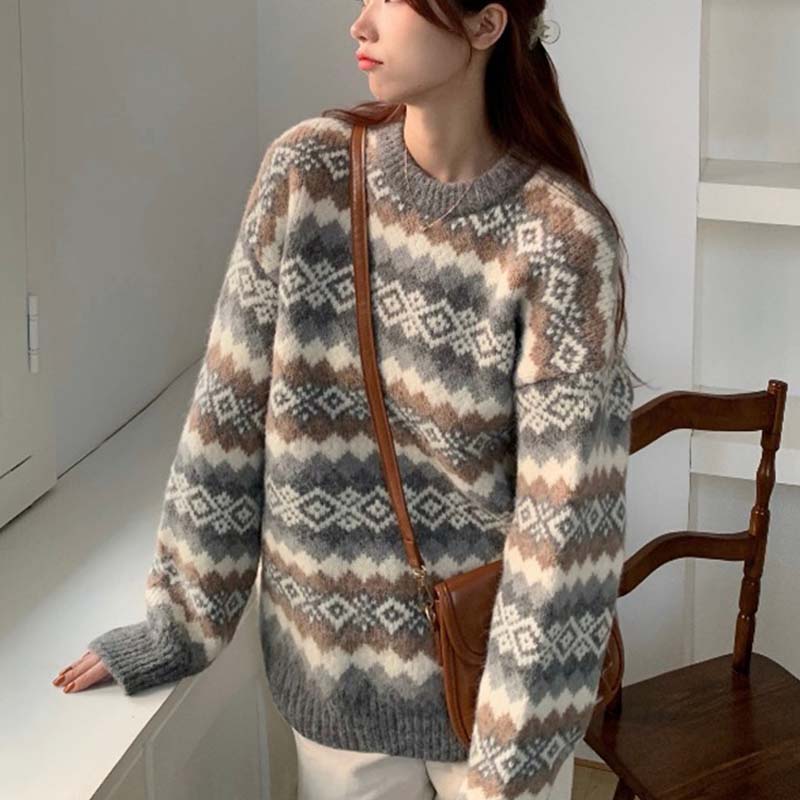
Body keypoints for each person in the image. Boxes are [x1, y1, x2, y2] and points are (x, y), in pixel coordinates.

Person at [53, 0, 641, 797]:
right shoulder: (308, 174)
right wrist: (179, 622)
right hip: (334, 687)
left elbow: (566, 527)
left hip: (499, 697)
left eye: (393, 1)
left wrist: (510, 764)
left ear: (485, 25)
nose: (360, 25)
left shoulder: (562, 240)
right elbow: (228, 409)